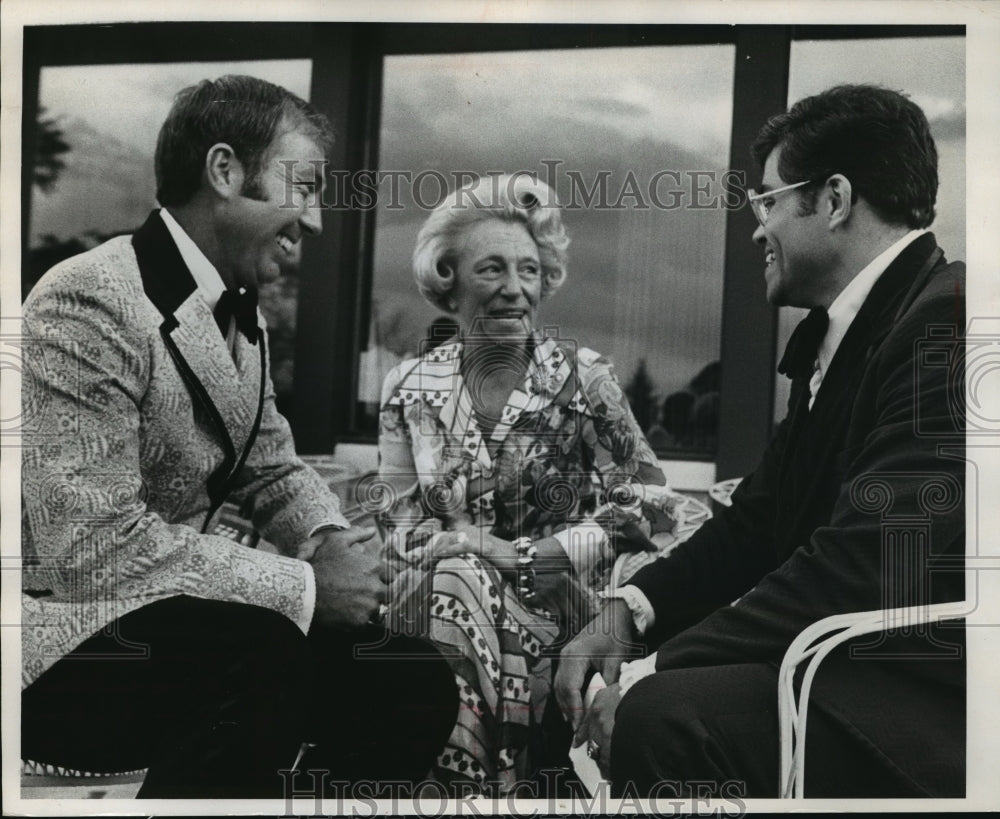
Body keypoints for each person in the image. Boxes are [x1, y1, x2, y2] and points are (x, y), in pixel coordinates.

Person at [20, 75, 456, 798]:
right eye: (305, 186)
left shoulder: (240, 314)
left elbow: (273, 469)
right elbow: (93, 553)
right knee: (263, 648)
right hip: (60, 642)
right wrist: (309, 585)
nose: (315, 220)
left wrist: (334, 544)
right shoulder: (86, 300)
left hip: (182, 636)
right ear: (224, 171)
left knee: (410, 677)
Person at [555, 84, 965, 798]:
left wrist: (657, 669)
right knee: (592, 663)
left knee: (661, 714)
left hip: (919, 703)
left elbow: (867, 566)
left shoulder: (947, 327)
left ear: (834, 200)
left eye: (768, 200)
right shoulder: (862, 329)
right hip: (848, 666)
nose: (755, 227)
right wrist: (626, 613)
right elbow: (758, 521)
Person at [375, 175, 678, 792]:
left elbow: (652, 505)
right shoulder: (408, 388)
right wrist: (439, 550)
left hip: (557, 607)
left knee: (457, 585)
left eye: (530, 271)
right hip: (442, 600)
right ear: (448, 279)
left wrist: (516, 554)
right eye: (492, 270)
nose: (515, 289)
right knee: (452, 586)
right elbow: (397, 522)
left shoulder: (582, 380)